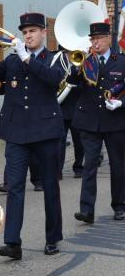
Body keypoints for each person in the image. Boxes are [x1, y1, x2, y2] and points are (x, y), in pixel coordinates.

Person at [0, 13, 65, 259]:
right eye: (25, 32)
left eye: (33, 31)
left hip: (45, 133)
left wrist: (27, 58)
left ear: (44, 32)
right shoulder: (12, 60)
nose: (28, 36)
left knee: (49, 186)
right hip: (16, 133)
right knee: (14, 187)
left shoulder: (55, 58)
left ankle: (53, 237)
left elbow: (53, 79)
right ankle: (13, 242)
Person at [71, 22, 125, 223]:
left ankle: (119, 205)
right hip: (89, 121)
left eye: (99, 38)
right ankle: (87, 210)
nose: (95, 42)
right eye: (92, 39)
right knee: (89, 165)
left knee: (118, 165)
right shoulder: (86, 61)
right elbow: (72, 81)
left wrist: (120, 102)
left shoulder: (120, 61)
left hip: (115, 121)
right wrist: (79, 64)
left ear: (108, 38)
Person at [54, 48, 84, 179]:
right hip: (61, 107)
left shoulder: (83, 60)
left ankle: (78, 167)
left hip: (77, 108)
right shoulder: (58, 61)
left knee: (79, 142)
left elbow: (87, 83)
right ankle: (58, 170)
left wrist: (73, 86)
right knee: (60, 142)